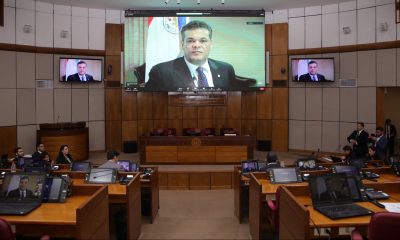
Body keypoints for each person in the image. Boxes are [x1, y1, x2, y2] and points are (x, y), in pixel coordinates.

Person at [145, 20, 248, 91]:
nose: (196, 45)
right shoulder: (161, 72)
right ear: (182, 44)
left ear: (211, 44)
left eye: (203, 41)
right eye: (190, 41)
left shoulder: (226, 69)